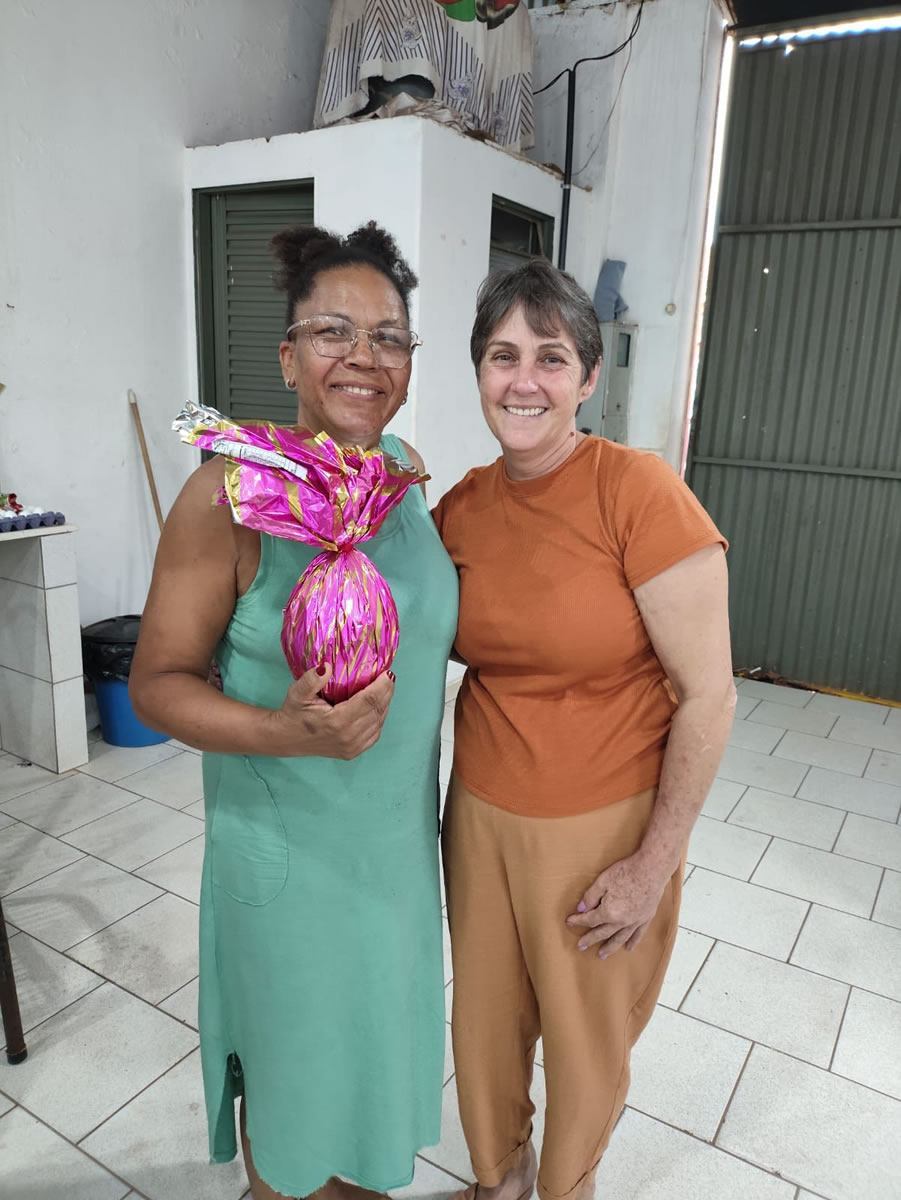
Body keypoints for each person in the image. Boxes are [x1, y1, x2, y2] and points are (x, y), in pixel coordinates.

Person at [130, 223, 459, 1200]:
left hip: (395, 861)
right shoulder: (226, 497)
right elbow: (156, 683)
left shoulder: (401, 475)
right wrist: (283, 731)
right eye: (332, 332)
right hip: (287, 860)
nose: (364, 356)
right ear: (287, 358)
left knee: (367, 1092)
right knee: (295, 1103)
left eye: (389, 337)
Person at [432, 260, 735, 1200]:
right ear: (477, 371)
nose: (523, 381)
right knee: (484, 1024)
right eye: (502, 356)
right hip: (478, 818)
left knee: (583, 1037)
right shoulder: (461, 508)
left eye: (550, 357)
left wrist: (654, 863)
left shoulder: (636, 492)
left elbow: (709, 695)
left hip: (600, 826)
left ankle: (567, 1188)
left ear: (589, 377)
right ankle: (498, 1177)